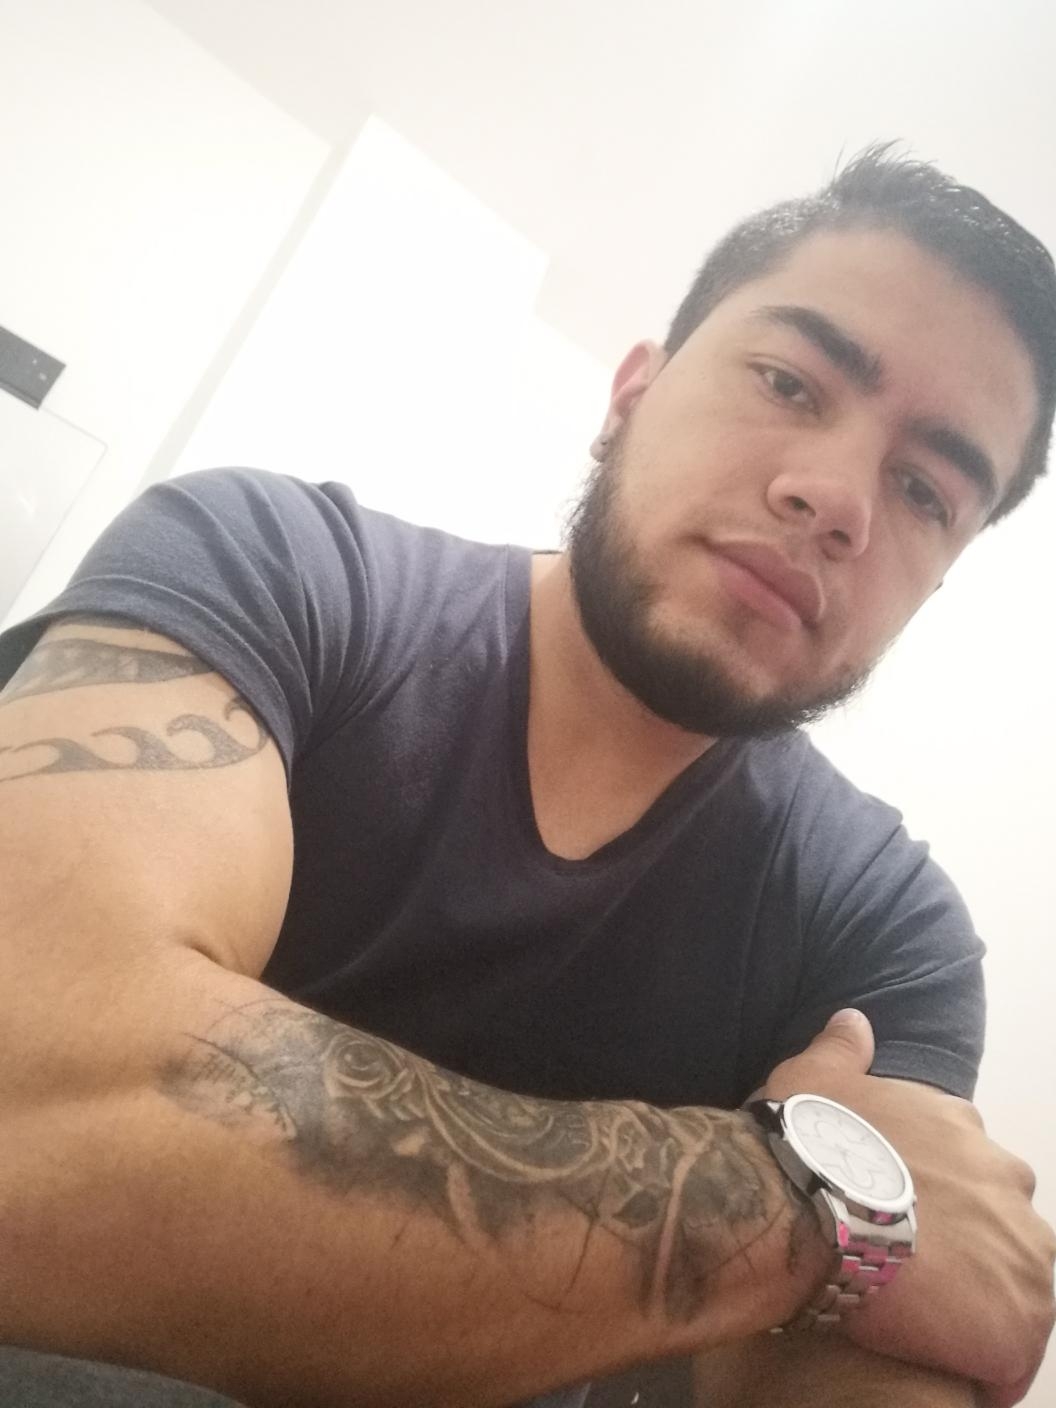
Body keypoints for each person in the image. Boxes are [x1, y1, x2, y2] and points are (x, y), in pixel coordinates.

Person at [0, 144, 1053, 1408]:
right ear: (632, 393)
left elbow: (889, 1357)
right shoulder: (273, 573)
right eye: (788, 380)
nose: (837, 500)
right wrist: (791, 1197)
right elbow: (31, 1120)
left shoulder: (883, 928)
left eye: (927, 490)